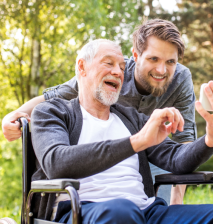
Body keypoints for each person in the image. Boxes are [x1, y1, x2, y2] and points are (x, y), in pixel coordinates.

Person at [30, 39, 213, 224]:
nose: (118, 72)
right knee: (121, 211)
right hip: (82, 212)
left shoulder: (132, 118)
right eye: (108, 63)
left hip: (147, 213)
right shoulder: (51, 112)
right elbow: (57, 162)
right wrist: (136, 141)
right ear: (82, 67)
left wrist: (211, 139)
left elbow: (176, 159)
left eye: (122, 66)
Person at [2, 19, 196, 204]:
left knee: (158, 206)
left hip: (154, 151)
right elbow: (54, 95)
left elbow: (184, 139)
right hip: (111, 152)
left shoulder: (180, 78)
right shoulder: (112, 73)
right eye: (153, 59)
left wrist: (177, 201)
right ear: (136, 56)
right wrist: (14, 114)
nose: (162, 69)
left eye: (170, 62)